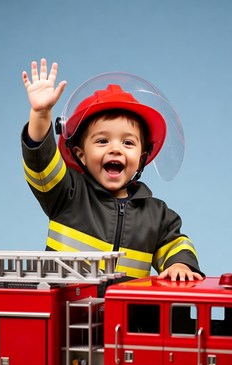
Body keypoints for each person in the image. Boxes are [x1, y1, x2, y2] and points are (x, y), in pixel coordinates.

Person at [20, 58, 204, 286]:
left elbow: (176, 244)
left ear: (142, 156)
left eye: (128, 143)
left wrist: (180, 264)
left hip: (126, 319)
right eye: (102, 140)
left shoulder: (156, 215)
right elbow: (41, 160)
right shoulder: (66, 193)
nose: (115, 149)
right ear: (80, 153)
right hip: (68, 316)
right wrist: (40, 114)